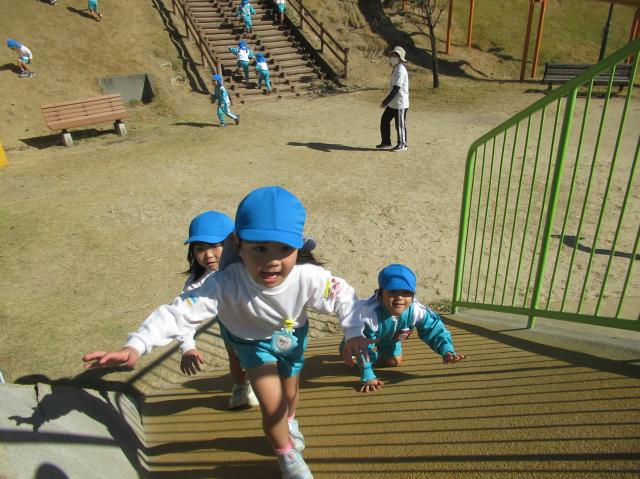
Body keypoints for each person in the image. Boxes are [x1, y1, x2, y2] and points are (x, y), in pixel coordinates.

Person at [83, 186, 371, 479]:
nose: (272, 260)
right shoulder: (225, 282)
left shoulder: (307, 276)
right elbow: (178, 312)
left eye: (284, 249)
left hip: (292, 336)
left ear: (298, 248)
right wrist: (137, 344)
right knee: (273, 405)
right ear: (239, 245)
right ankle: (287, 456)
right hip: (251, 344)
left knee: (290, 394)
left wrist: (353, 331)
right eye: (259, 248)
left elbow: (343, 296)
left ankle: (291, 420)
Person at [341, 264, 465, 393]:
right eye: (392, 291)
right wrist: (368, 375)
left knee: (394, 362)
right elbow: (361, 345)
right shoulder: (369, 314)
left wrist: (447, 351)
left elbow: (434, 330)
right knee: (356, 358)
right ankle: (345, 346)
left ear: (413, 296)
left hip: (390, 339)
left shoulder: (416, 311)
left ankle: (380, 351)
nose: (399, 297)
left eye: (406, 292)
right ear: (381, 294)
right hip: (361, 338)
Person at [180, 211, 259, 409]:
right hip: (229, 325)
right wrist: (188, 347)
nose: (208, 255)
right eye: (199, 248)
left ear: (233, 243)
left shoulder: (249, 265)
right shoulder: (197, 282)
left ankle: (264, 385)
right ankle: (241, 387)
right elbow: (185, 313)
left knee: (262, 357)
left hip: (259, 322)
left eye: (215, 245)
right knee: (235, 358)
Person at [377, 46, 409, 152]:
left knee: (399, 125)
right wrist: (388, 102)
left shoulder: (401, 70)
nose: (393, 57)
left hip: (400, 103)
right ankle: (386, 142)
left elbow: (396, 89)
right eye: (393, 55)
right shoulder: (396, 69)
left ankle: (402, 144)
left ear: (400, 58)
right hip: (393, 103)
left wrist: (385, 101)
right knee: (384, 120)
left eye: (396, 55)